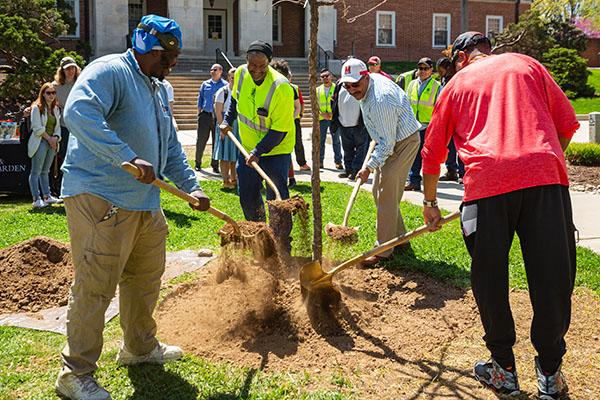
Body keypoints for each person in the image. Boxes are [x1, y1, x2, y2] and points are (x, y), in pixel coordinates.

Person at [56, 15, 210, 400]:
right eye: (165, 56)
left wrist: (191, 186)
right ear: (144, 46)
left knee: (145, 279)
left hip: (144, 204)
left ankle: (139, 348)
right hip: (101, 197)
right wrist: (126, 158)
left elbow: (170, 147)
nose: (171, 65)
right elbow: (77, 113)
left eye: (174, 58)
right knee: (95, 286)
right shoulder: (109, 71)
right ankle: (75, 374)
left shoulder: (156, 87)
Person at [422, 32, 578, 400]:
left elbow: (432, 150)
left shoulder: (456, 83)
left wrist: (430, 202)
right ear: (490, 50)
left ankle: (503, 370)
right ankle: (551, 374)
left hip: (486, 184)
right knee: (553, 274)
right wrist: (540, 160)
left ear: (460, 57)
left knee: (489, 278)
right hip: (544, 178)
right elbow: (567, 124)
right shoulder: (527, 64)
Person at [340, 58, 420, 265]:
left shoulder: (380, 100)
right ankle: (400, 237)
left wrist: (368, 168)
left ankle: (383, 250)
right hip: (389, 139)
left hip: (402, 143)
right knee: (379, 192)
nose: (352, 90)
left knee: (385, 193)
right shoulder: (370, 84)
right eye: (347, 86)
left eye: (355, 85)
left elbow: (387, 144)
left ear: (365, 77)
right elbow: (384, 138)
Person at [220, 40, 295, 252]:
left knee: (276, 198)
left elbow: (279, 130)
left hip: (275, 150)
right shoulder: (242, 74)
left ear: (269, 63)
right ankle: (259, 236)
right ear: (246, 62)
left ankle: (281, 242)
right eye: (253, 65)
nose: (257, 71)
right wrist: (227, 120)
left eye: (262, 66)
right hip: (247, 149)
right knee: (247, 194)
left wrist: (258, 152)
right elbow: (235, 100)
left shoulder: (281, 87)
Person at [405, 57, 441, 191]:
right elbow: (406, 104)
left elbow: (440, 108)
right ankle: (414, 181)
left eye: (426, 68)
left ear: (431, 70)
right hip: (413, 125)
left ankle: (428, 183)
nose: (423, 71)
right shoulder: (412, 84)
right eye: (420, 68)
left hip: (429, 126)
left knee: (427, 156)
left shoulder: (437, 86)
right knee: (413, 155)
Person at [269, 59, 303, 187]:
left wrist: (289, 119)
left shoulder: (292, 88)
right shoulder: (268, 88)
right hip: (269, 127)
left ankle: (290, 177)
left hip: (286, 127)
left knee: (285, 153)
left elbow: (298, 108)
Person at [50, 56, 81, 197]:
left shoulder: (81, 82)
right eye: (68, 68)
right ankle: (60, 189)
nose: (71, 71)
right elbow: (42, 100)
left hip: (79, 127)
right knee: (63, 158)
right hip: (63, 127)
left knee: (78, 158)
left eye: (73, 67)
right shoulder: (55, 87)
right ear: (62, 70)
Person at [28, 82, 62, 208]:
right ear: (43, 94)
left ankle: (47, 196)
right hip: (40, 141)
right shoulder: (37, 108)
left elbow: (57, 127)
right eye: (48, 93)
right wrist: (49, 139)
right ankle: (36, 199)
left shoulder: (56, 108)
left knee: (45, 171)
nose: (51, 95)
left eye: (53, 93)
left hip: (52, 142)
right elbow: (37, 128)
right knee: (36, 171)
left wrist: (56, 138)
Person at [330, 74, 369, 181]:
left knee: (361, 149)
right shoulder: (339, 84)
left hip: (359, 124)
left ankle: (355, 171)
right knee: (347, 149)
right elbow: (334, 100)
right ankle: (348, 170)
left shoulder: (359, 83)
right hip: (344, 123)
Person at [436, 56, 464, 183]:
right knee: (450, 146)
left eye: (440, 69)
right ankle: (451, 170)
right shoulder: (444, 78)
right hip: (448, 116)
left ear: (447, 67)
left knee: (459, 145)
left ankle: (463, 173)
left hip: (458, 116)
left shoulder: (455, 78)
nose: (438, 71)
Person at [196, 63, 226, 173]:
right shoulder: (205, 84)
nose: (212, 71)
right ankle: (198, 163)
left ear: (220, 71)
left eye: (215, 70)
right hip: (205, 115)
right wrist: (199, 113)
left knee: (216, 141)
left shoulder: (224, 85)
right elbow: (200, 99)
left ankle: (214, 164)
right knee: (201, 140)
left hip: (217, 117)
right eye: (211, 70)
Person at [213, 67, 239, 189]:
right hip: (224, 124)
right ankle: (225, 180)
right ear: (228, 78)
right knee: (225, 156)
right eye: (232, 77)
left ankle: (234, 179)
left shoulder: (240, 92)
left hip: (237, 126)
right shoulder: (222, 92)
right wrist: (222, 128)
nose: (234, 80)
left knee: (235, 155)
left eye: (236, 78)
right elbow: (218, 112)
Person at [317, 68, 343, 170]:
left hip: (334, 119)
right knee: (320, 141)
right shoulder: (317, 90)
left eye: (327, 76)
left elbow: (340, 103)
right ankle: (320, 161)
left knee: (336, 141)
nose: (325, 78)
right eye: (322, 77)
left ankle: (338, 162)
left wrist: (333, 114)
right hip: (322, 118)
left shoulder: (337, 88)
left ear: (331, 76)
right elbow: (314, 104)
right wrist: (321, 114)